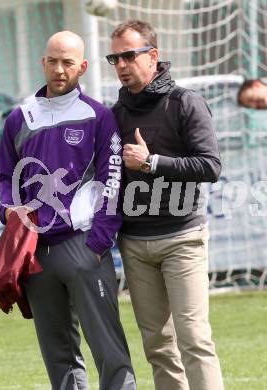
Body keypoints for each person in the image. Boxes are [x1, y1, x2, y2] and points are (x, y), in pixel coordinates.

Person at [0, 31, 136, 390]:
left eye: (68, 62)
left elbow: (113, 181)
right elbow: (5, 177)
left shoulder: (99, 116)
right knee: (59, 355)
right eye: (53, 61)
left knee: (108, 349)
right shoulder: (18, 118)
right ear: (43, 62)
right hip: (35, 254)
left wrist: (98, 244)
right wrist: (9, 211)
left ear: (82, 67)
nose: (59, 69)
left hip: (84, 246)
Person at [106, 20, 224, 390]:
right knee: (158, 346)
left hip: (183, 238)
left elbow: (210, 166)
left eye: (129, 55)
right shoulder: (115, 114)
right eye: (115, 58)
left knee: (194, 338)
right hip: (135, 244)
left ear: (153, 56)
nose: (122, 64)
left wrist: (152, 163)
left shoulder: (185, 102)